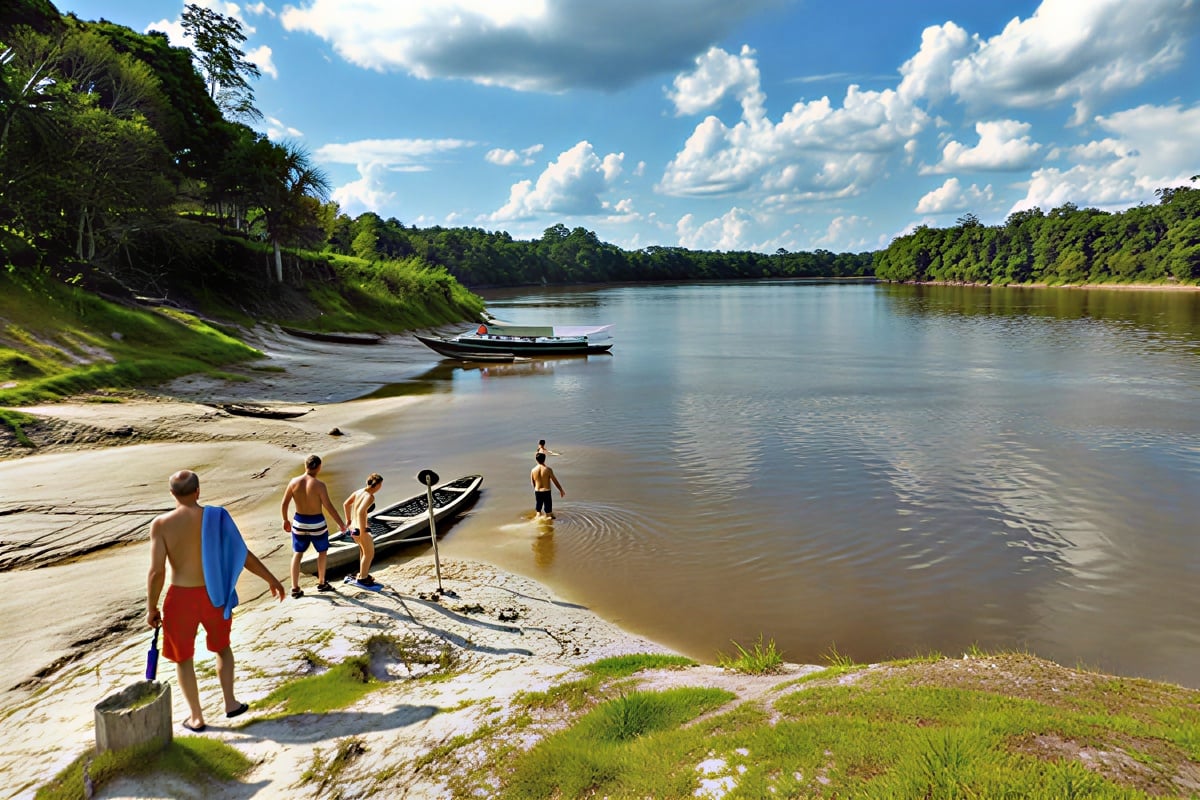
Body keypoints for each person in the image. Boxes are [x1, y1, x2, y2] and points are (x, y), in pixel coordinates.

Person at [146, 470, 285, 732]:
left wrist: (151, 607)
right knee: (222, 648)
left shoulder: (161, 525)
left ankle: (196, 717)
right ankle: (230, 703)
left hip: (179, 600)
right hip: (215, 596)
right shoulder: (218, 517)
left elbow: (157, 572)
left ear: (172, 494)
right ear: (198, 491)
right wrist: (271, 579)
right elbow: (242, 554)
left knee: (183, 658)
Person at [280, 454, 347, 597]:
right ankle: (322, 583)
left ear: (306, 465)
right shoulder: (320, 485)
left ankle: (295, 588)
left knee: (297, 553)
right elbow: (328, 506)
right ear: (319, 467)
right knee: (322, 552)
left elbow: (284, 503)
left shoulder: (293, 482)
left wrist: (285, 520)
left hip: (299, 522)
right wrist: (341, 524)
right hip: (317, 523)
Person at [343, 473, 384, 586]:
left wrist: (348, 521)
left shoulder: (359, 492)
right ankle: (362, 579)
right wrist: (363, 530)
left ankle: (362, 574)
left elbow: (346, 504)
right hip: (360, 528)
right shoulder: (370, 497)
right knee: (369, 553)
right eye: (381, 485)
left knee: (363, 551)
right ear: (377, 485)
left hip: (353, 528)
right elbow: (361, 512)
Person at [531, 452, 565, 519]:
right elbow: (555, 481)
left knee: (538, 511)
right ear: (544, 459)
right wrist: (561, 490)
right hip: (546, 492)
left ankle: (537, 521)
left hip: (537, 491)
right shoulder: (548, 469)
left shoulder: (533, 470)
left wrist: (536, 491)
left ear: (536, 460)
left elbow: (533, 483)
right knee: (548, 513)